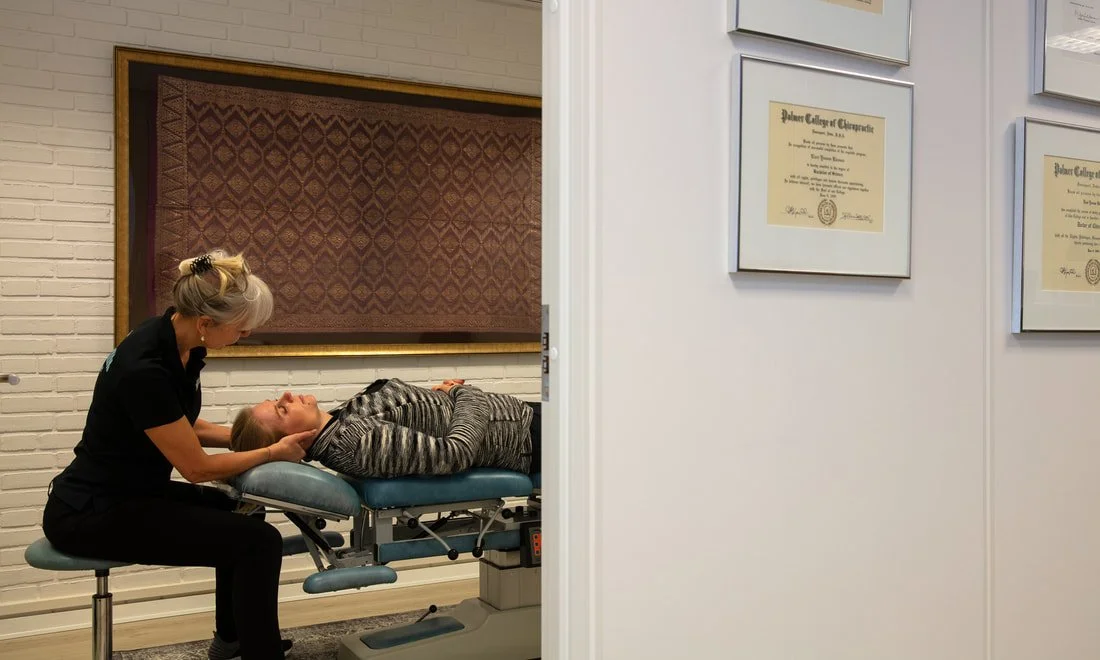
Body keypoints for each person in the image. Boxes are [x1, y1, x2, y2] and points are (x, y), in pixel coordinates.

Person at [41, 250, 315, 660]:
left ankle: (232, 640)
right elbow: (196, 468)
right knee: (258, 541)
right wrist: (273, 450)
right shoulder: (145, 368)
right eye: (240, 330)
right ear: (206, 323)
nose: (242, 337)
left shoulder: (176, 343)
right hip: (91, 511)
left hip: (132, 492)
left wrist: (247, 441)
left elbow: (181, 425)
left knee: (244, 510)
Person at [229, 377, 541, 480]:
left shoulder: (341, 424)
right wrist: (464, 393)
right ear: (293, 441)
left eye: (276, 400)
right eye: (282, 410)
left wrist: (435, 400)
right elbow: (454, 454)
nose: (286, 396)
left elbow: (415, 420)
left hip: (519, 419)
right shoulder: (357, 442)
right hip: (526, 436)